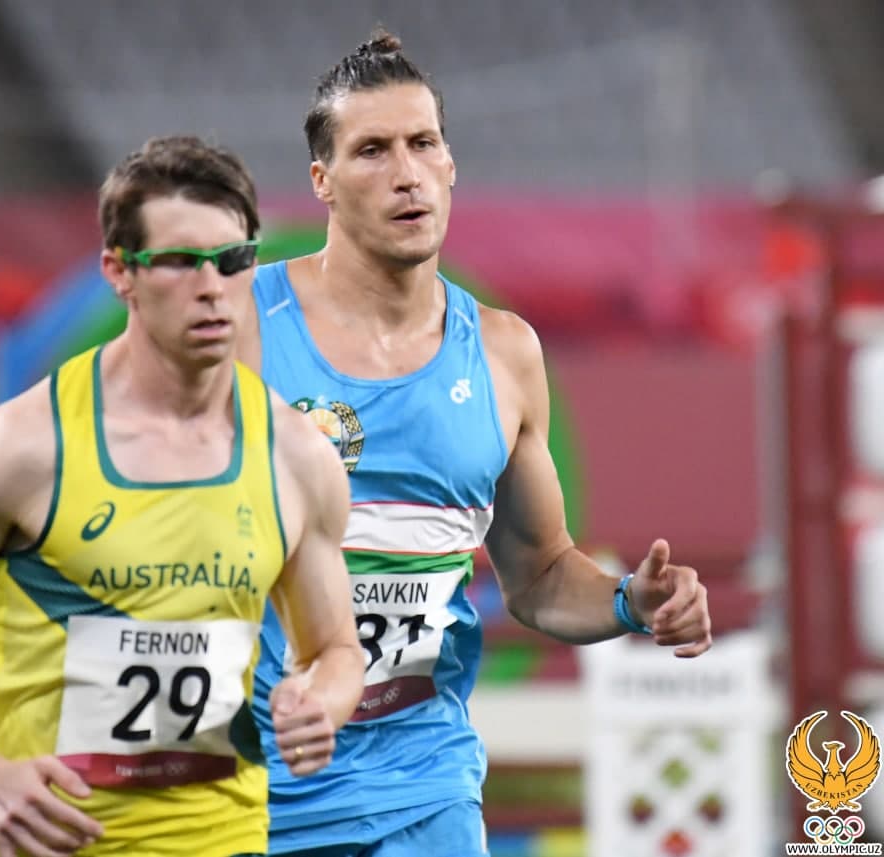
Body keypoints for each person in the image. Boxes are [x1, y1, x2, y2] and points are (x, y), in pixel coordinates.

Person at [238, 31, 715, 857]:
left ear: (451, 163)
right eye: (372, 151)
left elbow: (540, 575)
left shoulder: (504, 352)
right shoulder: (240, 329)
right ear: (322, 181)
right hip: (253, 795)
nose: (406, 173)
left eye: (423, 143)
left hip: (425, 789)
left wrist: (628, 603)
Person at [0, 135, 365, 857]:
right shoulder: (26, 446)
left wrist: (320, 701)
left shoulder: (296, 455)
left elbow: (333, 648)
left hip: (221, 838)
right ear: (120, 271)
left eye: (233, 259)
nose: (212, 286)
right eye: (179, 261)